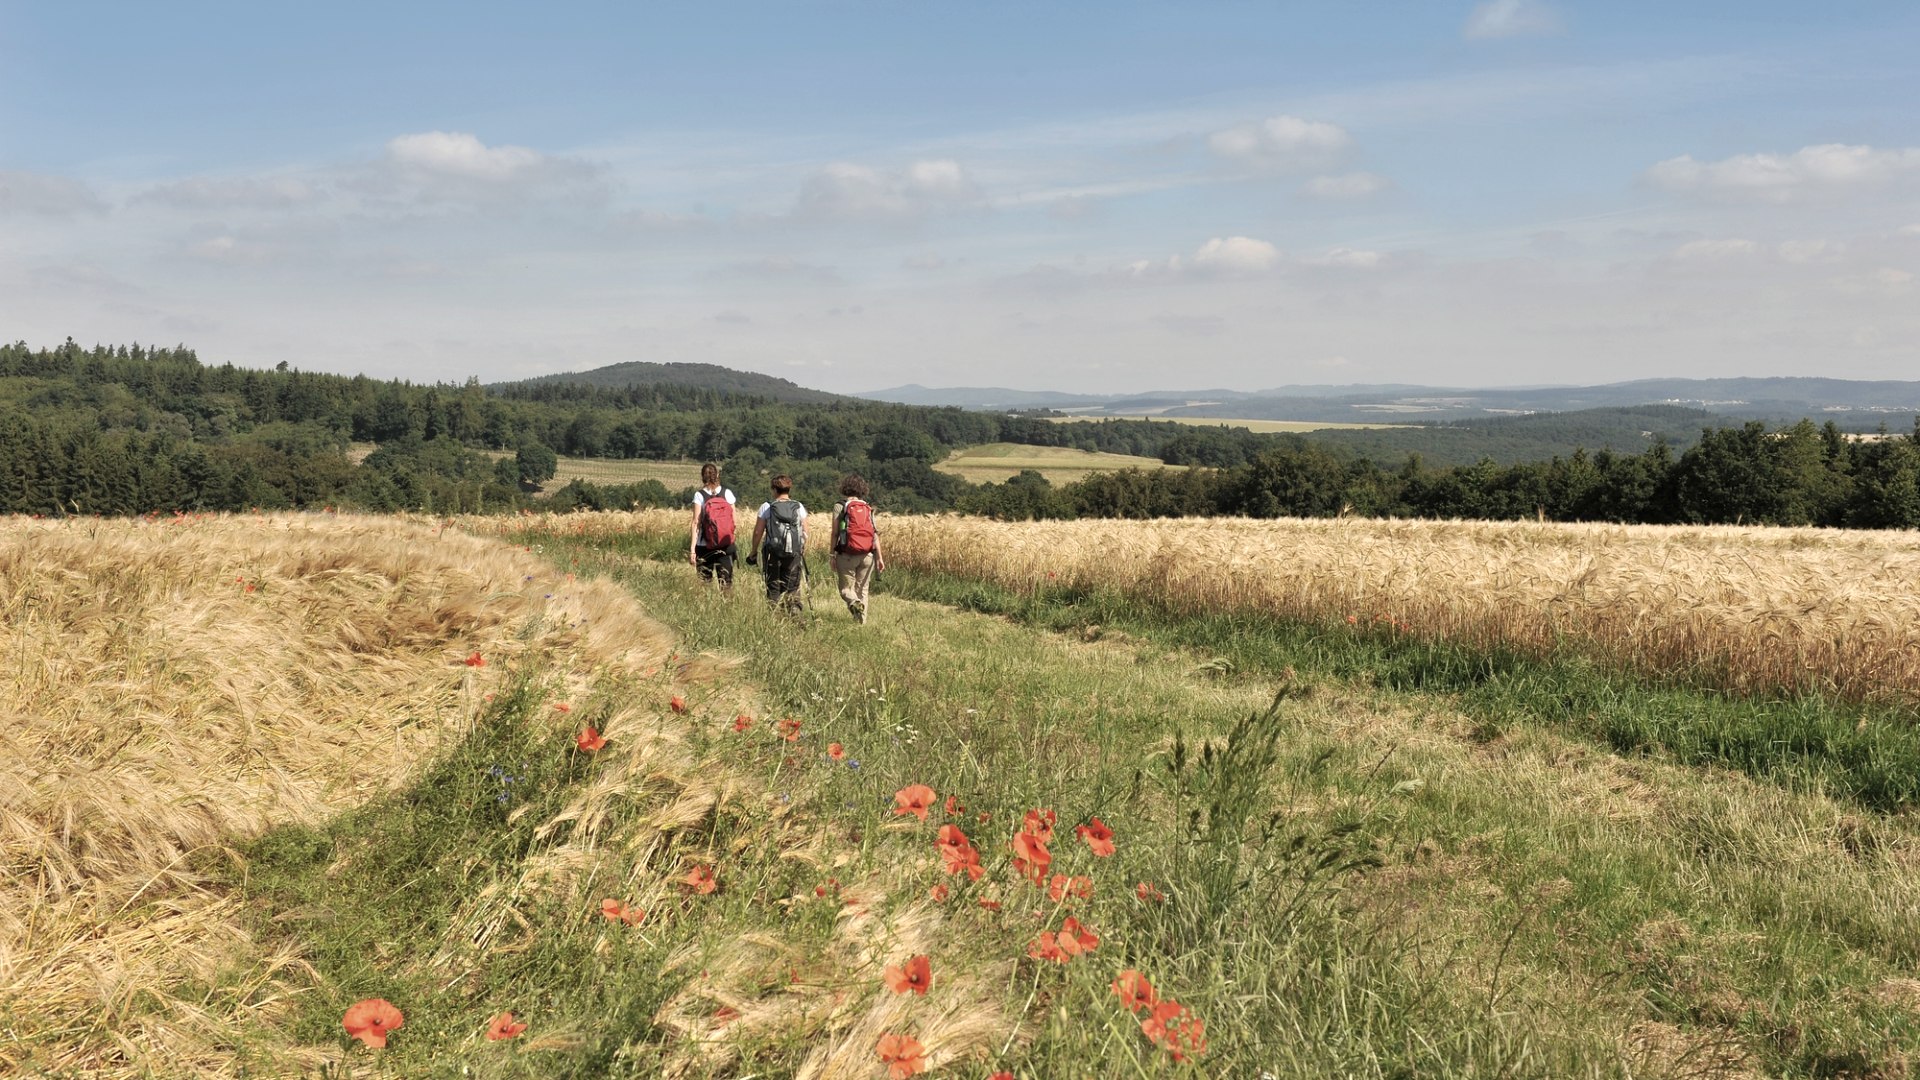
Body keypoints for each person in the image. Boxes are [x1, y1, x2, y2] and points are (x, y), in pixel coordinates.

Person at [746, 474, 808, 612]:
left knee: (773, 587)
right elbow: (805, 532)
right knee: (792, 587)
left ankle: (775, 618)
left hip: (772, 552)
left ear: (774, 489)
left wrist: (754, 551)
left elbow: (758, 532)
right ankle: (795, 617)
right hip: (794, 553)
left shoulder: (767, 507)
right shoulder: (798, 506)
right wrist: (801, 548)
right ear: (788, 489)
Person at [830, 473, 885, 624]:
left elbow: (835, 533)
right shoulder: (867, 507)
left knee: (846, 590)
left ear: (845, 488)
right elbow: (874, 534)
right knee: (863, 590)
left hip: (846, 554)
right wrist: (879, 557)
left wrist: (832, 555)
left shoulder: (840, 506)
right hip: (867, 555)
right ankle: (860, 624)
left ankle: (854, 603)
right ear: (862, 489)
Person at [688, 462, 737, 590]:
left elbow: (696, 523)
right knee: (726, 584)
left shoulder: (699, 495)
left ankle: (706, 609)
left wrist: (693, 549)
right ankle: (727, 609)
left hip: (704, 545)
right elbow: (734, 522)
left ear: (702, 477)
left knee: (704, 584)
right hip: (726, 545)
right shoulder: (728, 493)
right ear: (718, 475)